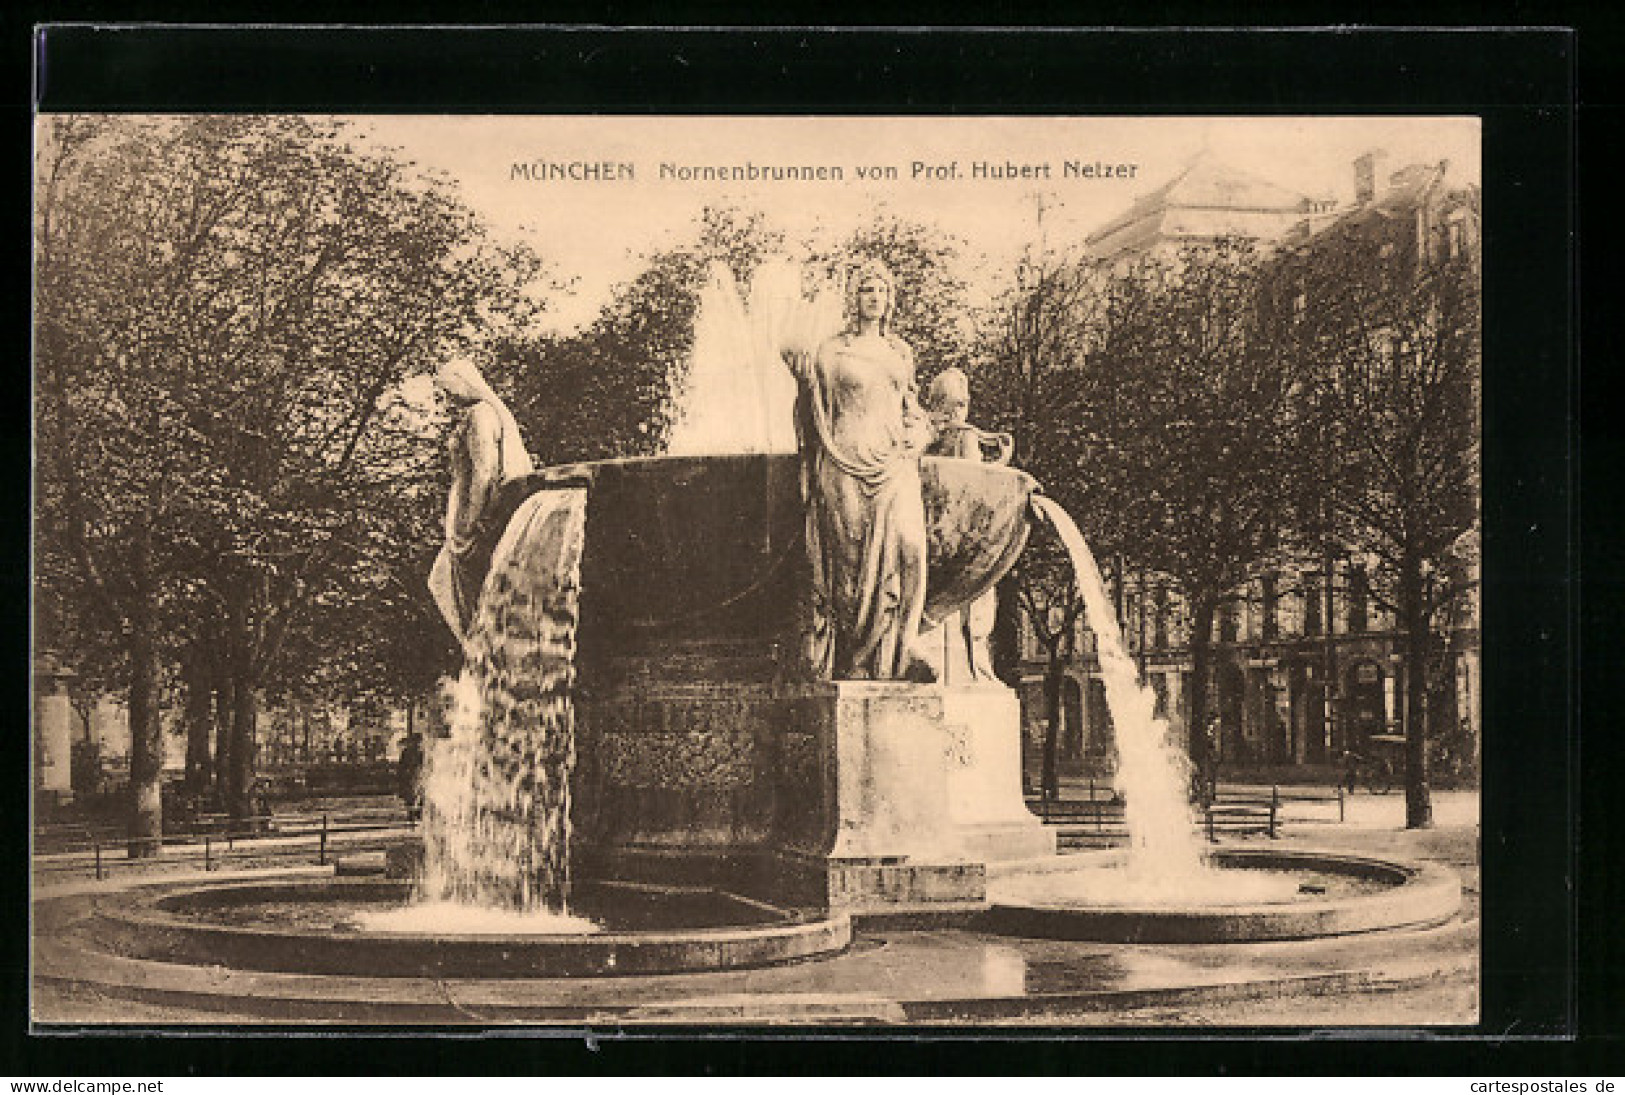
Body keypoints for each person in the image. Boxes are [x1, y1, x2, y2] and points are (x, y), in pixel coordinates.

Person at [786, 259, 935, 681]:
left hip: (893, 463)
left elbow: (912, 407)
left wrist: (920, 433)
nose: (876, 298)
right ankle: (856, 659)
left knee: (910, 548)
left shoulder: (898, 351)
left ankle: (903, 648)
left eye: (883, 292)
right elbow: (811, 412)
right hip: (843, 459)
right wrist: (801, 379)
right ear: (854, 298)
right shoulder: (831, 351)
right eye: (868, 290)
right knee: (851, 565)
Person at [428, 357, 536, 643]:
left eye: (449, 389)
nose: (448, 397)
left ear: (464, 384)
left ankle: (476, 649)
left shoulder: (479, 415)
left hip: (473, 522)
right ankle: (480, 650)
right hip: (480, 515)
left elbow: (483, 473)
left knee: (444, 584)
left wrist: (469, 525)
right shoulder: (488, 413)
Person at [923, 367, 1014, 681]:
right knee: (975, 598)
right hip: (961, 542)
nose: (957, 411)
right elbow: (976, 485)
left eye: (960, 404)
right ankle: (974, 669)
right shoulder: (964, 437)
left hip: (938, 541)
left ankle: (969, 667)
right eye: (953, 403)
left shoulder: (928, 438)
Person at [396, 731, 424, 823]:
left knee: (419, 795)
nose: (417, 743)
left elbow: (424, 765)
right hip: (409, 776)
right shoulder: (407, 752)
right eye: (415, 741)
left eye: (418, 742)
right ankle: (412, 815)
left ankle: (417, 814)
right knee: (410, 797)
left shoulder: (422, 752)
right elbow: (401, 765)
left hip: (418, 776)